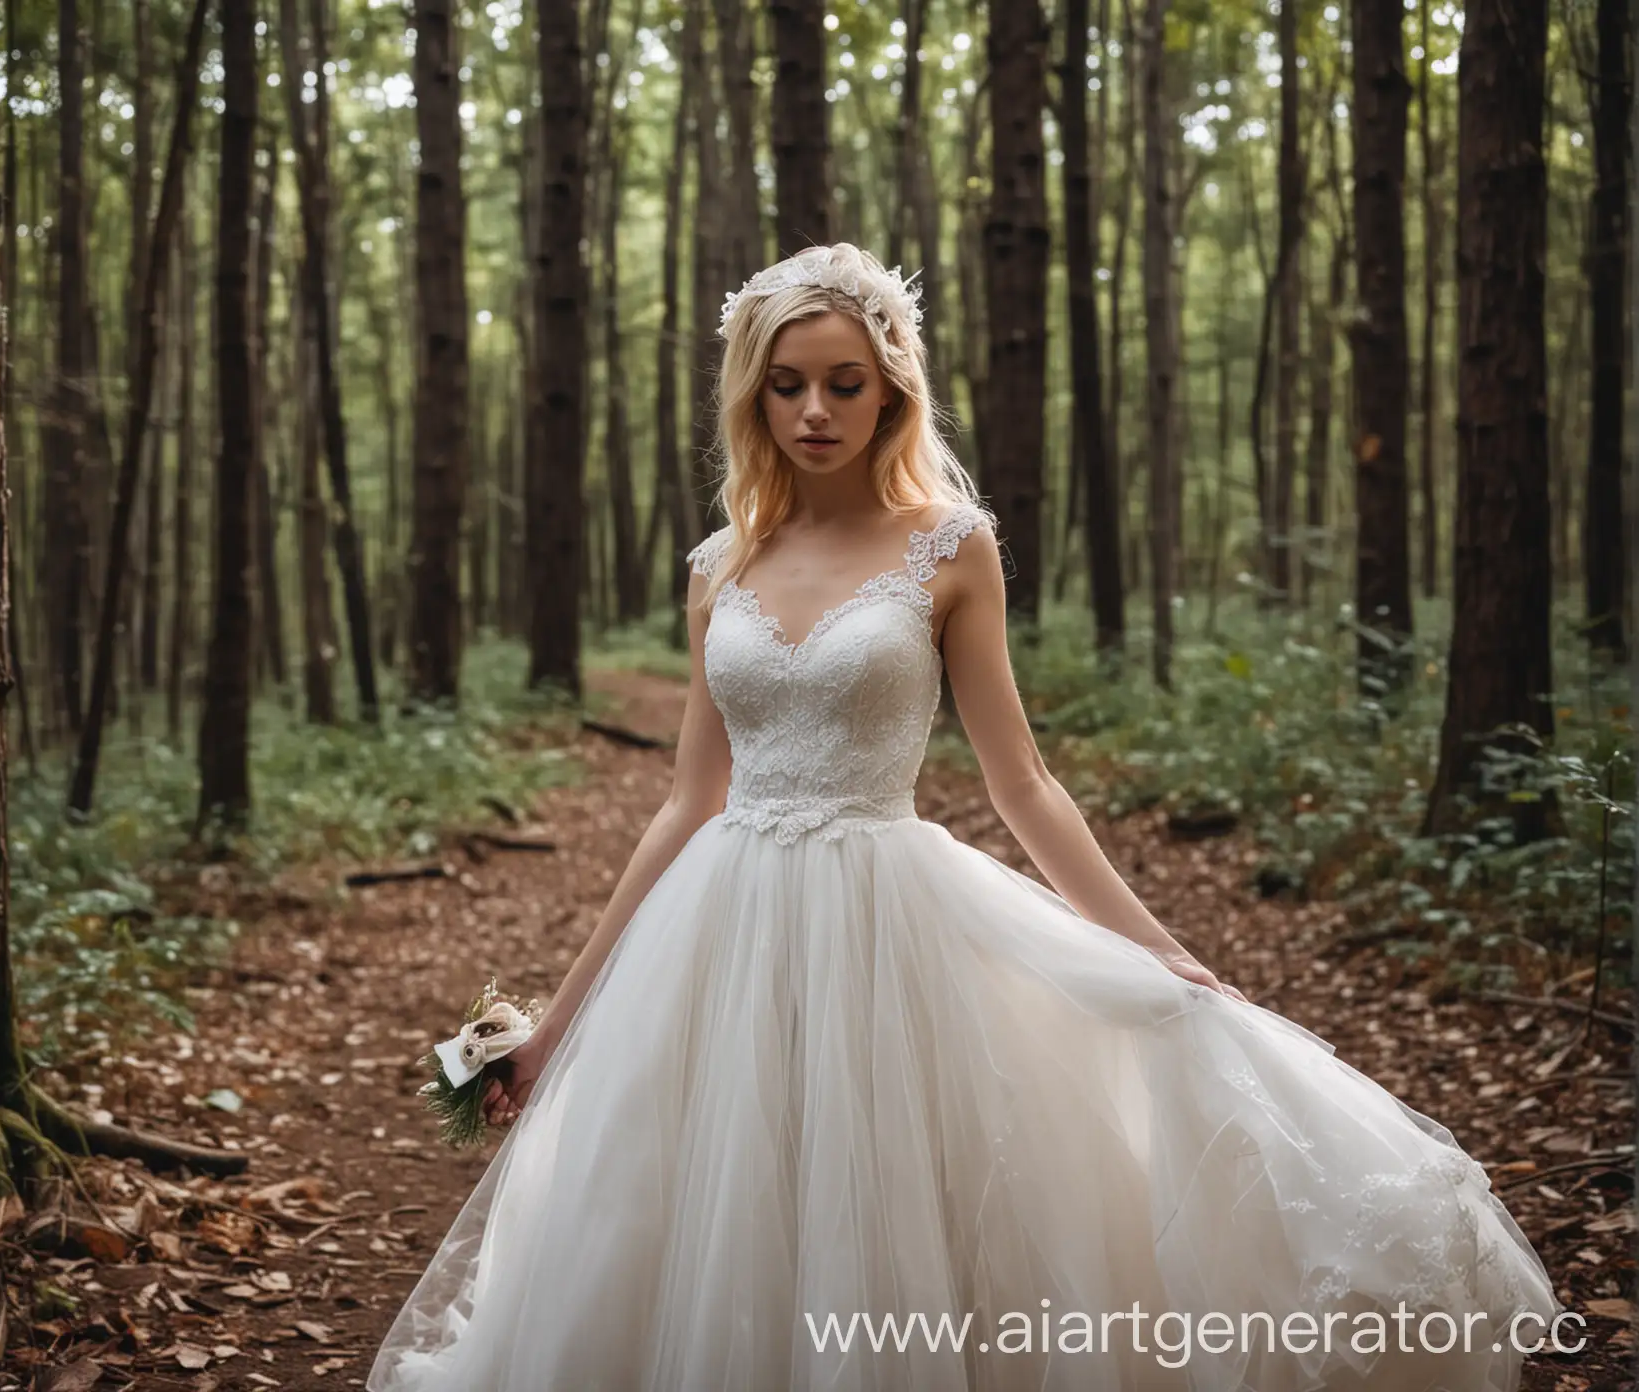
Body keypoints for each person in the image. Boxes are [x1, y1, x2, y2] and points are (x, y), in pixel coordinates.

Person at [368, 244, 1559, 1391]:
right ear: (754, 394)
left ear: (892, 389)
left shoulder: (951, 547)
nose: (815, 411)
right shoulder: (719, 564)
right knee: (713, 1205)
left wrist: (1157, 947)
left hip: (888, 921)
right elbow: (690, 796)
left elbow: (1021, 781)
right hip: (716, 932)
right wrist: (561, 1021)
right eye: (786, 386)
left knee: (888, 1204)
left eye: (845, 383)